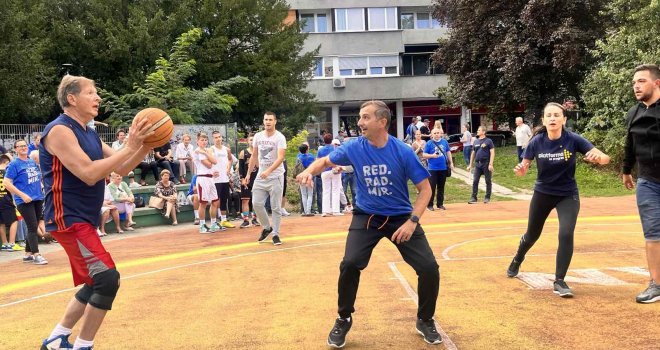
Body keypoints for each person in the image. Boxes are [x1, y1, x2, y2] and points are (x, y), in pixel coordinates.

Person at [296, 100, 441, 347]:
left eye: (365, 118)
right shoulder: (354, 147)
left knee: (429, 268)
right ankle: (343, 317)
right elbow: (325, 162)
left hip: (400, 218)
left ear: (382, 122)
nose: (360, 122)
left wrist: (412, 222)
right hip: (367, 217)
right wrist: (309, 171)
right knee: (350, 263)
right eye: (360, 118)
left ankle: (425, 319)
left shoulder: (402, 151)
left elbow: (425, 191)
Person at [39, 75, 152, 350]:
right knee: (106, 279)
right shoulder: (60, 131)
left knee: (95, 280)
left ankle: (56, 339)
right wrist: (129, 145)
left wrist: (145, 145)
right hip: (68, 218)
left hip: (81, 218)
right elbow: (90, 174)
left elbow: (121, 168)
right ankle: (83, 345)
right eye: (91, 92)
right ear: (72, 98)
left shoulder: (88, 131)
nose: (98, 98)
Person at [507, 102, 610, 298]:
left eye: (556, 115)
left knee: (565, 233)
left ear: (564, 119)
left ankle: (560, 281)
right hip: (543, 194)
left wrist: (598, 158)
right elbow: (524, 166)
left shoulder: (573, 139)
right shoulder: (537, 141)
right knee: (532, 235)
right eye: (549, 115)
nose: (553, 118)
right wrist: (521, 170)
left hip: (567, 194)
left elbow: (605, 158)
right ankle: (518, 258)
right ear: (544, 120)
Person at [622, 64, 660, 303]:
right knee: (653, 233)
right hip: (647, 181)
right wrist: (626, 171)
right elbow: (629, 144)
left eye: (642, 81)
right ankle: (656, 284)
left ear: (657, 83)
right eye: (635, 82)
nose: (636, 85)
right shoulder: (633, 113)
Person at [246, 111, 286, 245]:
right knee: (256, 203)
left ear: (275, 121)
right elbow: (254, 155)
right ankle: (267, 227)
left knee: (275, 207)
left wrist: (269, 171)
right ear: (263, 121)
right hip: (261, 176)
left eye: (270, 119)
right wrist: (248, 174)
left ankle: (276, 234)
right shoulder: (258, 136)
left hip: (275, 176)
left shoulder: (279, 137)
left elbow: (281, 157)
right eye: (266, 119)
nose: (268, 122)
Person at [4, 140, 47, 265]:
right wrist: (22, 195)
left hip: (38, 198)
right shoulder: (14, 164)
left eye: (25, 145)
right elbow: (6, 183)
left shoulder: (31, 161)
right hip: (24, 201)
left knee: (33, 226)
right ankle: (36, 254)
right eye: (20, 146)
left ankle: (28, 254)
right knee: (33, 227)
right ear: (15, 149)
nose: (23, 148)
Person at [193, 132, 222, 233]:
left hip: (210, 178)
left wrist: (206, 153)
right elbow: (209, 164)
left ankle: (213, 223)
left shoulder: (204, 151)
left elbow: (215, 161)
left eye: (205, 140)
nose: (204, 142)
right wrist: (206, 154)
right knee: (203, 203)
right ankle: (202, 225)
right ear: (197, 141)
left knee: (215, 201)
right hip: (202, 179)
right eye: (202, 140)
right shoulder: (197, 151)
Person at [423, 128, 453, 211]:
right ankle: (429, 205)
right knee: (432, 187)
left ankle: (440, 204)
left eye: (438, 133)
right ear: (432, 134)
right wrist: (432, 156)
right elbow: (424, 154)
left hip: (443, 168)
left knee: (441, 187)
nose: (436, 134)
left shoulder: (444, 142)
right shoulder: (429, 143)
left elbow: (448, 152)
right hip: (432, 168)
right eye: (435, 133)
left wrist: (451, 163)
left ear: (441, 134)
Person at [211, 131, 234, 228]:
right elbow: (208, 161)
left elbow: (230, 159)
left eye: (219, 137)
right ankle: (213, 222)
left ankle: (224, 220)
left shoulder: (226, 149)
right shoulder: (211, 149)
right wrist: (212, 171)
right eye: (216, 137)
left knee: (224, 200)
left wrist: (228, 169)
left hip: (225, 179)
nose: (218, 139)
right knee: (215, 201)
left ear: (221, 138)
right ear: (213, 139)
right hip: (215, 180)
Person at [467, 126, 495, 204]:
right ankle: (473, 198)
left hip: (486, 163)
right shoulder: (476, 141)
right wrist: (470, 165)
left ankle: (487, 197)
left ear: (483, 132)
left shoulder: (488, 141)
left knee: (488, 181)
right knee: (475, 181)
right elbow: (473, 153)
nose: (477, 131)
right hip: (477, 164)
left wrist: (491, 164)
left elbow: (492, 152)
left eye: (479, 130)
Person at [317, 134, 342, 217]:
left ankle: (325, 211)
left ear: (324, 140)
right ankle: (336, 210)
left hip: (324, 171)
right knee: (335, 190)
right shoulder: (334, 148)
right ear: (332, 140)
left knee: (326, 191)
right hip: (334, 170)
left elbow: (318, 161)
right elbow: (337, 159)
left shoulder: (320, 150)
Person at [0, 154, 21, 252]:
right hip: (6, 199)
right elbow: (11, 186)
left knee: (1, 222)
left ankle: (4, 244)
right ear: (6, 163)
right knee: (14, 220)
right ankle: (12, 243)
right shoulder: (7, 172)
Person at [238, 134, 259, 228]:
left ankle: (255, 218)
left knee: (256, 200)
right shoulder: (243, 152)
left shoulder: (258, 153)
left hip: (257, 179)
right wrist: (242, 178)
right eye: (250, 140)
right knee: (245, 200)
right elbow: (241, 167)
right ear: (247, 141)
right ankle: (246, 219)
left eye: (254, 140)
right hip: (246, 179)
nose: (252, 141)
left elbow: (260, 167)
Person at [297, 143, 316, 216]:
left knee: (303, 194)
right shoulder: (311, 156)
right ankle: (308, 211)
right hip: (309, 176)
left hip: (301, 176)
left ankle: (304, 211)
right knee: (310, 194)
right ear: (307, 149)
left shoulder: (299, 157)